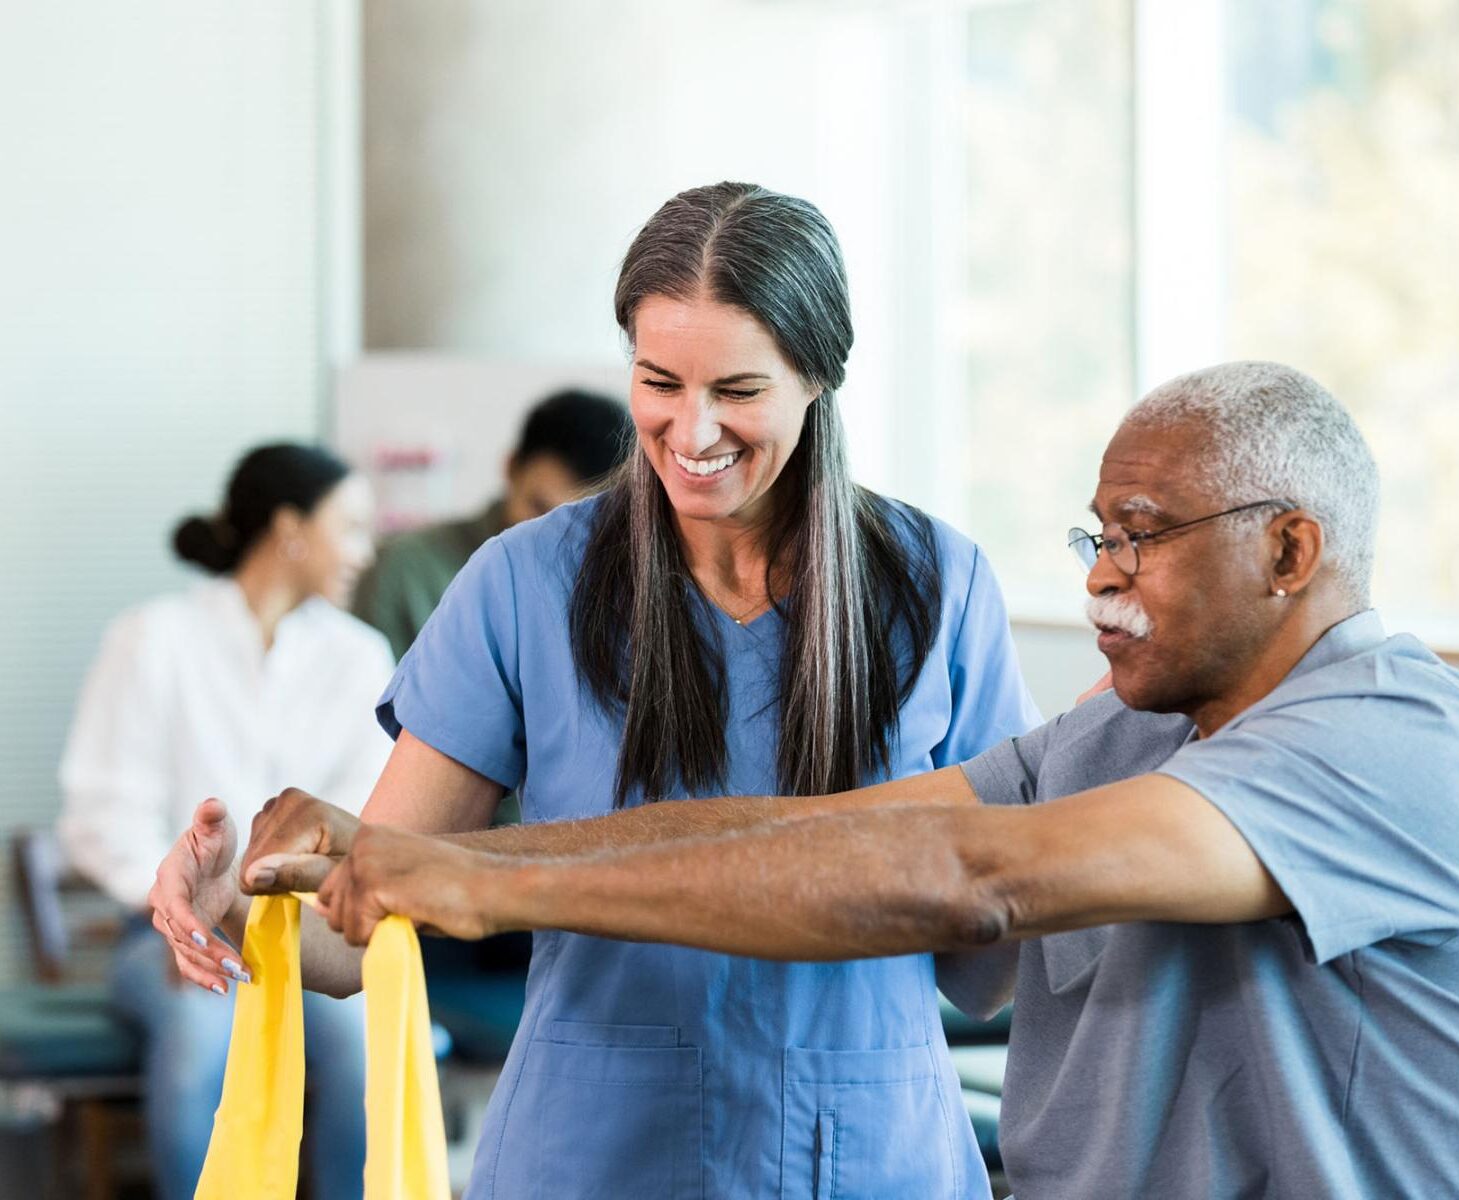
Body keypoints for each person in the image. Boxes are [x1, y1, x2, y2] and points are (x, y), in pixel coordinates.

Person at [297, 363, 1459, 1198]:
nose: (1102, 577)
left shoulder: (1398, 739)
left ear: (1290, 548)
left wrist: (492, 890)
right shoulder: (1123, 736)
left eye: (1140, 535)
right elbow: (816, 833)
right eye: (1097, 538)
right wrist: (412, 860)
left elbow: (967, 879)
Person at [149, 182, 1041, 1199]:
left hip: (867, 1152)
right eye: (659, 380)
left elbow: (987, 969)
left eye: (737, 390)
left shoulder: (936, 585)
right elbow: (362, 926)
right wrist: (233, 903)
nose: (691, 430)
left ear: (819, 376)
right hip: (592, 1150)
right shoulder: (523, 583)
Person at [58, 443, 392, 1200]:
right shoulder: (153, 638)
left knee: (362, 1042)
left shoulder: (360, 656)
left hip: (308, 936)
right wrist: (182, 910)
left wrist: (281, 906)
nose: (365, 552)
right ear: (291, 529)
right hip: (167, 937)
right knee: (200, 1037)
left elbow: (362, 818)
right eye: (351, 528)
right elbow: (103, 813)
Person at [352, 388, 633, 659]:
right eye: (539, 507)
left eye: (580, 521)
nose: (554, 532)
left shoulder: (622, 590)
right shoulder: (406, 570)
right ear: (511, 468)